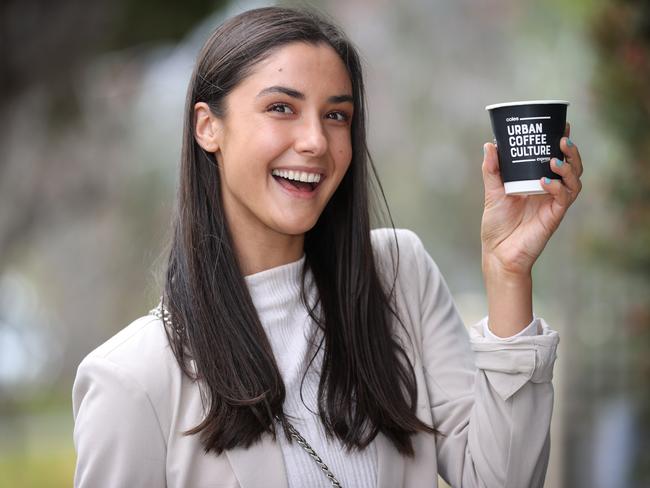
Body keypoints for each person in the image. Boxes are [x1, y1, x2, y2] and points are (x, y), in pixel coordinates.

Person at [71, 6, 583, 488]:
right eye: (281, 108)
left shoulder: (399, 278)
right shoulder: (132, 379)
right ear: (209, 127)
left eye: (336, 116)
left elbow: (502, 479)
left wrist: (508, 270)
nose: (316, 140)